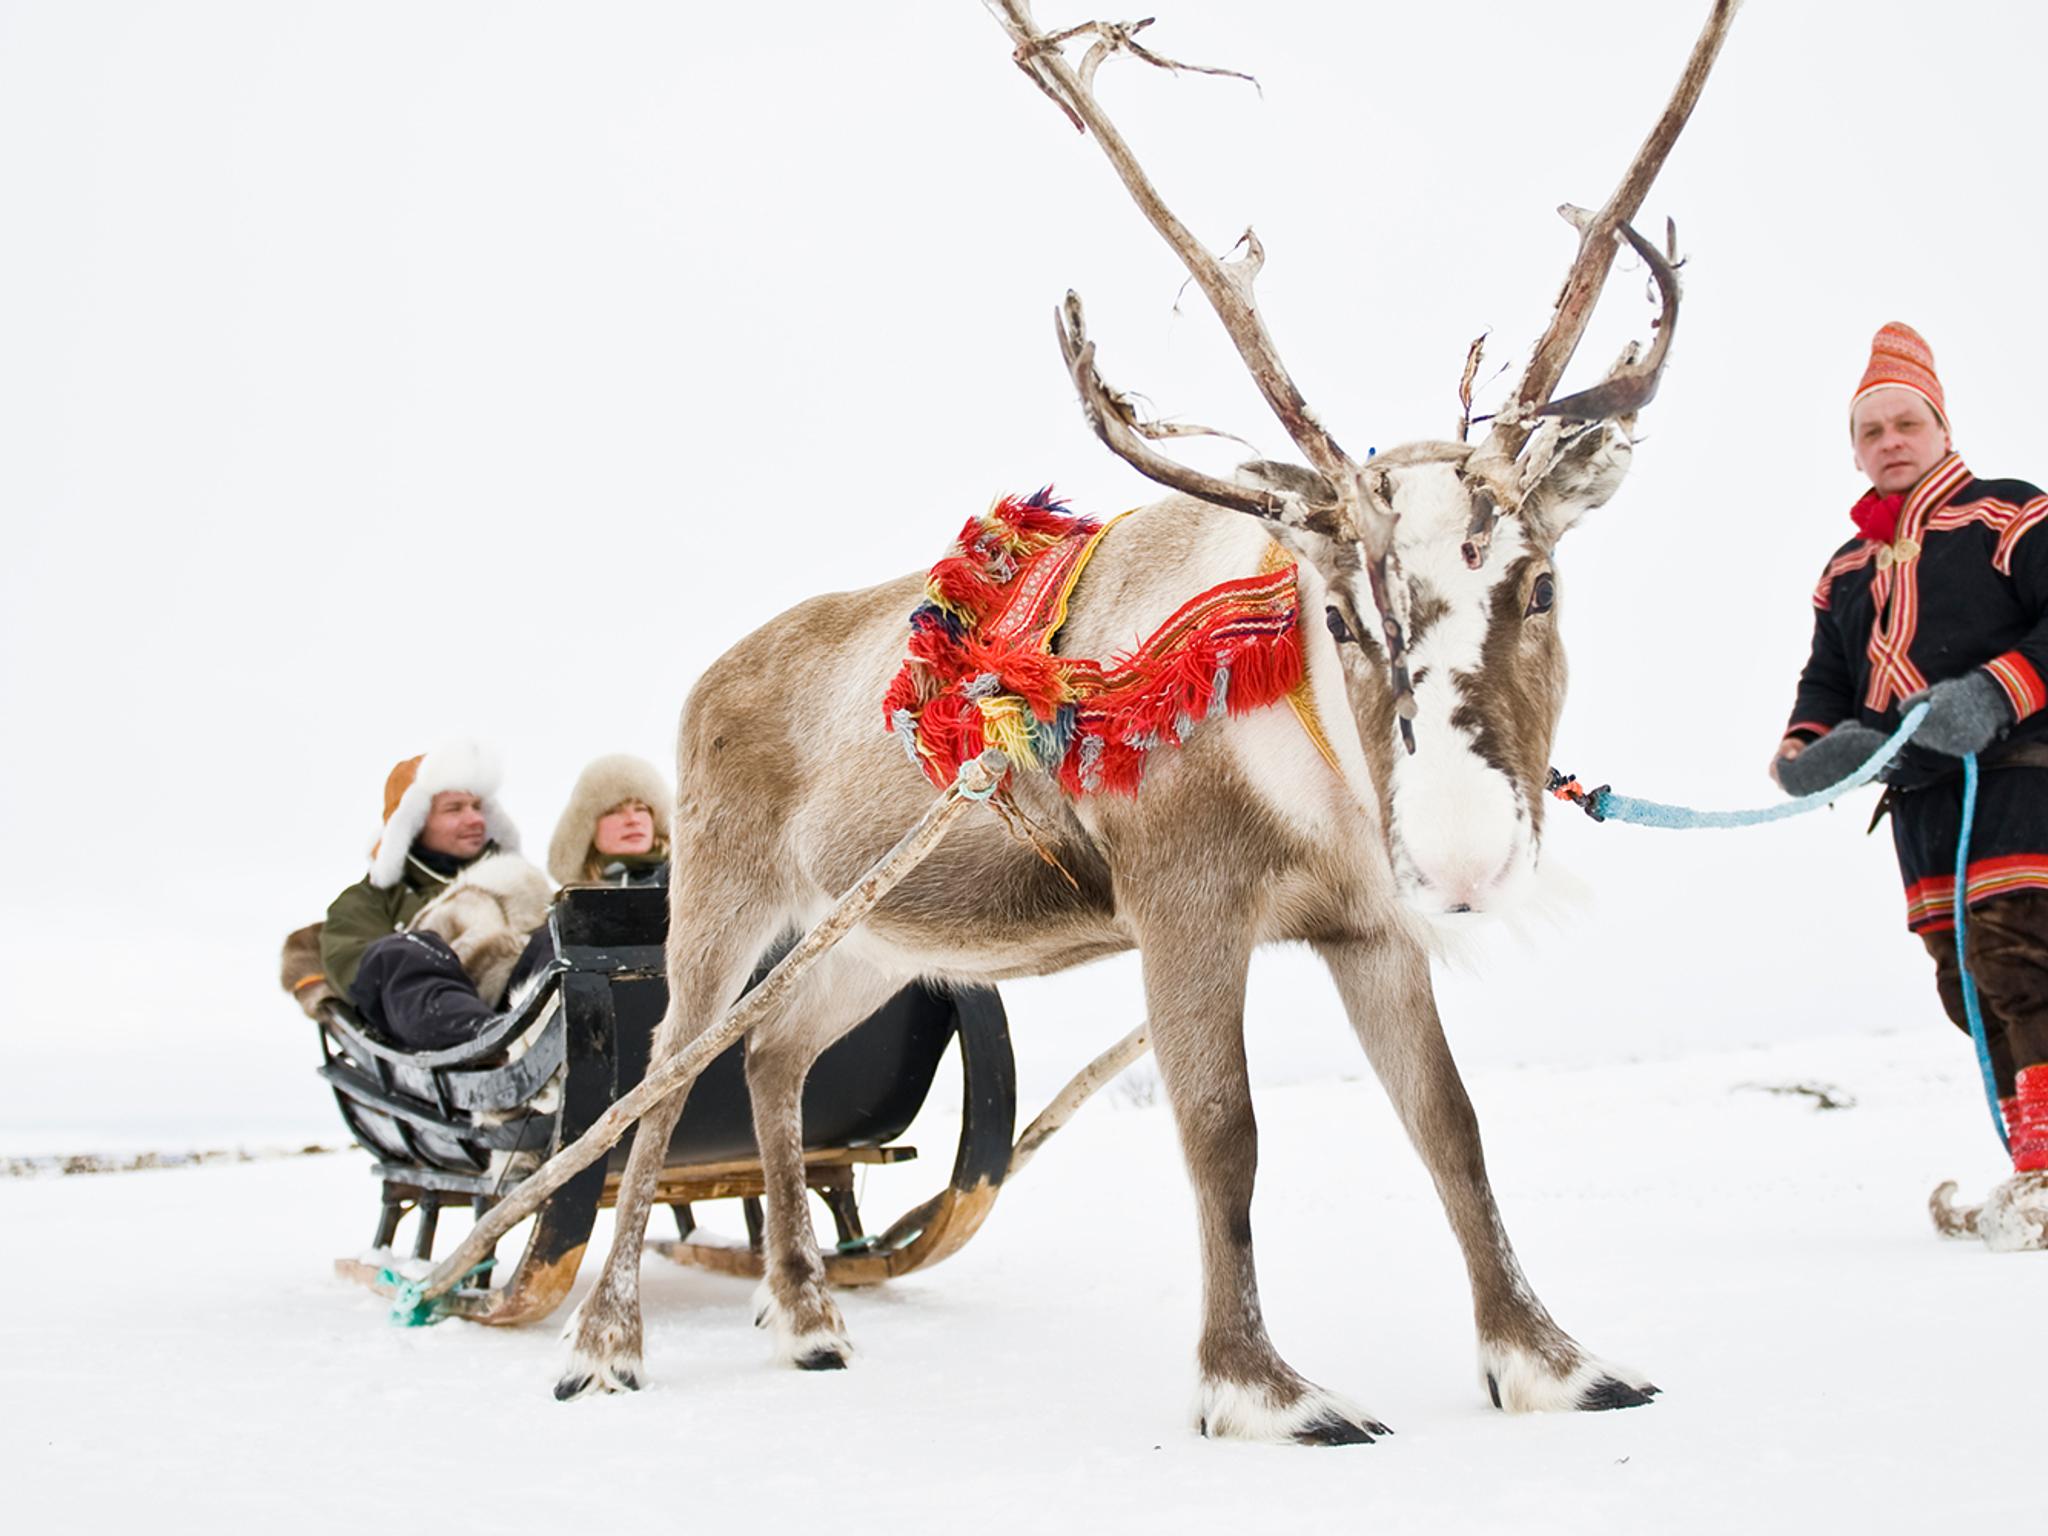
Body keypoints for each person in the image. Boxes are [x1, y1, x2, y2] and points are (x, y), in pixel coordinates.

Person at [1772, 323, 2048, 1241]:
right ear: (1855, 448)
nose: (1890, 441)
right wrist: (1809, 751)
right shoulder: (1845, 569)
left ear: (1941, 428)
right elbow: (1825, 683)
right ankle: (2032, 1170)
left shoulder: (2009, 515)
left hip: (2021, 776)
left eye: (1907, 424)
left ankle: (2046, 1172)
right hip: (1921, 803)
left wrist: (1996, 690)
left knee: (2022, 959)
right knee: (1965, 984)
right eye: (1871, 430)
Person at [320, 740, 525, 1049]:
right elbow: (358, 976)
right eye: (454, 809)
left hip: (523, 1006)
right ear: (412, 824)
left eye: (478, 807)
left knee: (563, 938)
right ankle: (480, 1036)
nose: (475, 820)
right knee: (400, 953)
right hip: (437, 1032)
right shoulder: (365, 903)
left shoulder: (516, 887)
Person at [546, 753, 673, 887]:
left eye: (641, 809)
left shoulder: (692, 891)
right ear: (588, 831)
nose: (633, 820)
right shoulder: (571, 903)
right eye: (614, 811)